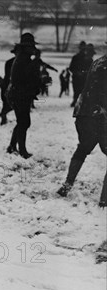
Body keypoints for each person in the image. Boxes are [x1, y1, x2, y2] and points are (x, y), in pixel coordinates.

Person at [57, 50, 106, 207]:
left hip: (85, 114)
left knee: (82, 149)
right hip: (100, 116)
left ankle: (67, 185)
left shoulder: (97, 62)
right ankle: (104, 200)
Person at [6, 33, 41, 159]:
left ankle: (12, 146)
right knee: (24, 122)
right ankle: (22, 150)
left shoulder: (22, 58)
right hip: (20, 95)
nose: (33, 48)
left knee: (22, 122)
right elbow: (26, 77)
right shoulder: (23, 60)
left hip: (19, 94)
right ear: (25, 47)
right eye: (30, 46)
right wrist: (36, 61)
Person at [69, 41, 87, 107]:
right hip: (76, 77)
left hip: (83, 77)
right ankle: (75, 101)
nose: (83, 50)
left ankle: (81, 102)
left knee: (83, 91)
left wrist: (84, 73)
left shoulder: (88, 59)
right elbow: (71, 68)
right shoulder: (75, 58)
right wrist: (77, 72)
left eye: (84, 49)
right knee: (76, 90)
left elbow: (90, 69)